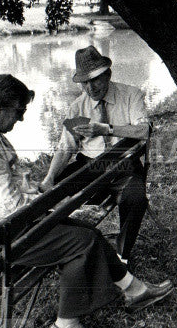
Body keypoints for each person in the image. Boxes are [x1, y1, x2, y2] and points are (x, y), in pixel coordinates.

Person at [0, 74, 172, 328]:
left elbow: (3, 195)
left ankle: (135, 291)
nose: (20, 118)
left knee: (84, 229)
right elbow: (8, 206)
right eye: (18, 111)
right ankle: (66, 326)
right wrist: (47, 207)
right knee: (82, 242)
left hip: (1, 231)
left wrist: (34, 193)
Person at [40, 46, 150, 264]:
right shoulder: (77, 107)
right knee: (50, 197)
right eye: (84, 83)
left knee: (136, 198)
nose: (90, 88)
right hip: (90, 166)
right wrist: (49, 178)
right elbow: (66, 148)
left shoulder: (131, 95)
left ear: (108, 74)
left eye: (95, 80)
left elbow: (144, 131)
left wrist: (107, 129)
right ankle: (64, 250)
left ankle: (122, 256)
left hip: (125, 165)